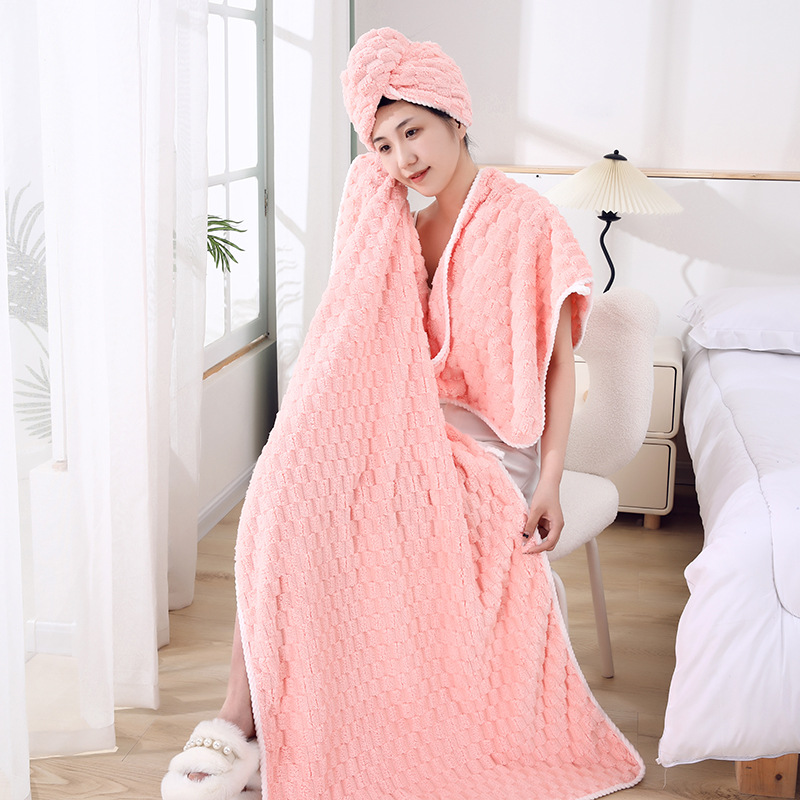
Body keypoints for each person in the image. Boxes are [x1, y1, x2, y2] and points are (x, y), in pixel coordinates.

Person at [163, 27, 644, 800]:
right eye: (382, 146)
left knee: (364, 514)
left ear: (455, 117)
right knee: (290, 494)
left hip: (497, 444)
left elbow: (558, 367)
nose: (401, 159)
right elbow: (369, 343)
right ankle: (241, 718)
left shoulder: (529, 222)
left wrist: (551, 479)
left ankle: (271, 724)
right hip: (414, 425)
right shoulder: (404, 230)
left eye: (412, 131)